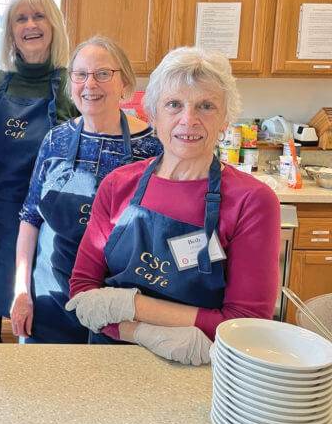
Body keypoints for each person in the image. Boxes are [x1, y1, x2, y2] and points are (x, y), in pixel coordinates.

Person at [67, 47, 281, 366]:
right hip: (107, 361)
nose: (188, 120)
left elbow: (244, 324)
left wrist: (126, 307)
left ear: (225, 120)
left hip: (197, 367)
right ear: (152, 116)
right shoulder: (117, 184)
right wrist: (141, 333)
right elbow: (83, 292)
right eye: (174, 105)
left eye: (206, 106)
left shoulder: (252, 201)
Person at [10, 36, 162, 343]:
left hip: (119, 304)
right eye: (80, 74)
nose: (90, 84)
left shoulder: (154, 147)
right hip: (51, 297)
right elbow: (31, 218)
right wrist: (21, 291)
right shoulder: (56, 140)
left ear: (125, 83)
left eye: (103, 74)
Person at [0, 0, 79, 343]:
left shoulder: (74, 85)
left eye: (38, 16)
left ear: (53, 25)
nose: (30, 25)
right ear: (11, 31)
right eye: (21, 18)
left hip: (52, 227)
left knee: (43, 324)